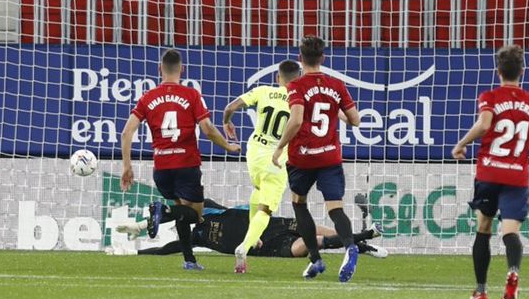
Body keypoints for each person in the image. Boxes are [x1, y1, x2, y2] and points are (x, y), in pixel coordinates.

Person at [120, 49, 240, 271]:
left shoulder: (148, 97)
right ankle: (162, 212)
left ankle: (189, 260)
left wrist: (127, 167)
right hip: (186, 164)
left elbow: (126, 133)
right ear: (182, 69)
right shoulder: (191, 95)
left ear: (159, 69)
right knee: (195, 213)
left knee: (182, 211)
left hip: (162, 167)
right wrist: (228, 145)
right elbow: (208, 129)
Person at [452, 45, 529, 299]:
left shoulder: (490, 96)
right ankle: (513, 271)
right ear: (523, 72)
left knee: (483, 227)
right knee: (510, 232)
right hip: (517, 175)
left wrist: (461, 144)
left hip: (490, 171)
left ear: (498, 71)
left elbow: (484, 124)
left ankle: (481, 291)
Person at [272, 36, 360, 282]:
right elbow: (355, 120)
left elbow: (297, 119)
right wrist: (337, 112)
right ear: (323, 58)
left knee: (299, 203)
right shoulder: (337, 84)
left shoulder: (296, 86)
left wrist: (280, 147)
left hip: (303, 158)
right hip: (330, 156)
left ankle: (315, 259)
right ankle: (350, 246)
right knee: (335, 207)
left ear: (301, 59)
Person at [110, 198, 387, 259]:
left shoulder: (209, 208)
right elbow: (164, 249)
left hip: (268, 228)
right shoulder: (196, 238)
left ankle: (363, 244)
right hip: (270, 249)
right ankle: (365, 238)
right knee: (305, 246)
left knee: (314, 228)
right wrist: (133, 254)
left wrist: (253, 234)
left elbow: (248, 211)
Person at [222, 60, 301, 273]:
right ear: (298, 79)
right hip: (276, 159)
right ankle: (244, 248)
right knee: (265, 210)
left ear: (278, 77)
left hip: (254, 155)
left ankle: (253, 237)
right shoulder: (299, 100)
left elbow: (231, 107)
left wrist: (226, 123)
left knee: (258, 190)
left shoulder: (264, 91)